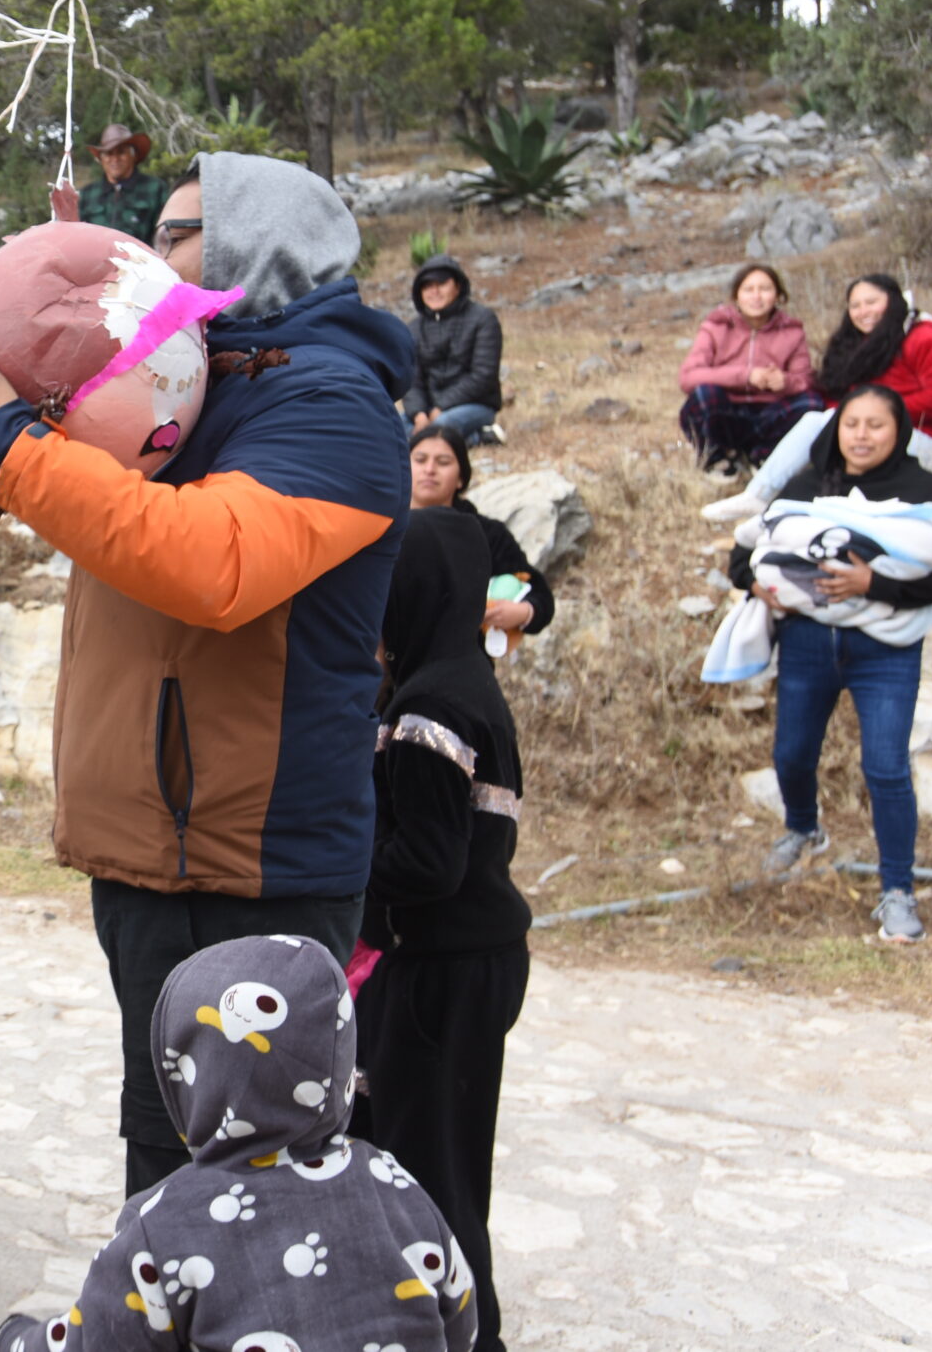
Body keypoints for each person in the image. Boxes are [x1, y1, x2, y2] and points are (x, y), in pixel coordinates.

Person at [0, 151, 413, 1198]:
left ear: (254, 249)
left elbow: (213, 566)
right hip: (156, 853)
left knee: (250, 1178)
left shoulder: (333, 403)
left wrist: (9, 446)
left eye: (178, 232)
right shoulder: (191, 388)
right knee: (165, 1149)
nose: (148, 253)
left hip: (246, 861)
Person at [0, 936, 476, 1352]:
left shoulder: (162, 1227)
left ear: (188, 1076)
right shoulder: (394, 1185)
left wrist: (15, 1338)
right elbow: (461, 1320)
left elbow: (96, 1339)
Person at [357, 505, 532, 1352]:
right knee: (448, 1162)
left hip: (439, 969)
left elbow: (428, 864)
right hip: (476, 959)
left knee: (430, 1175)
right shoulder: (466, 679)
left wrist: (340, 869)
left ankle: (468, 1335)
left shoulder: (430, 707)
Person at [721, 385, 932, 944]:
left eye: (875, 425)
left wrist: (869, 583)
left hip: (886, 652)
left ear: (898, 432)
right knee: (792, 754)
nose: (861, 435)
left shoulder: (924, 493)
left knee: (885, 768)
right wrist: (757, 582)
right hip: (808, 644)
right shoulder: (807, 484)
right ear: (837, 429)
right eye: (852, 423)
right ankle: (804, 831)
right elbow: (742, 553)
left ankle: (897, 891)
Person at [705, 272, 932, 521]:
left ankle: (768, 500)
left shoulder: (923, 337)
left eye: (871, 302)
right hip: (870, 434)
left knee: (833, 423)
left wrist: (882, 414)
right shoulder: (858, 344)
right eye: (855, 306)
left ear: (894, 301)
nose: (863, 312)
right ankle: (760, 497)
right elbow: (835, 395)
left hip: (925, 438)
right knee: (816, 420)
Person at [406, 425, 553, 649]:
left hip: (460, 663)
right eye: (420, 460)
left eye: (443, 462)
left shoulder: (485, 533)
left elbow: (540, 596)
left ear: (460, 478)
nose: (429, 469)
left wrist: (522, 612)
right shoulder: (380, 525)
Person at [676, 263, 819, 473]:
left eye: (765, 289)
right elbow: (688, 377)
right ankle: (718, 458)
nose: (757, 296)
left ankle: (762, 455)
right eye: (748, 289)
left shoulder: (792, 331)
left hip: (769, 414)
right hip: (725, 411)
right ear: (737, 296)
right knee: (705, 394)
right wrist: (746, 376)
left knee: (812, 403)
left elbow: (805, 379)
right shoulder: (716, 326)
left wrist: (785, 382)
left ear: (778, 296)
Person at [402, 255, 504, 445]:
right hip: (429, 410)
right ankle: (479, 437)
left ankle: (474, 436)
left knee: (440, 427)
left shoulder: (483, 319)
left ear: (458, 286)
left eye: (441, 284)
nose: (434, 291)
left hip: (476, 404)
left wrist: (441, 407)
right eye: (427, 286)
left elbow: (483, 375)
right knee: (391, 427)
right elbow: (412, 380)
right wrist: (418, 414)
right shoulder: (413, 329)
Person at [77, 121, 166, 241]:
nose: (115, 159)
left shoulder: (156, 189)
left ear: (133, 155)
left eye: (121, 152)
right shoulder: (86, 194)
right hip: (95, 259)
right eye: (109, 153)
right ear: (101, 159)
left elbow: (165, 236)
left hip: (141, 259)